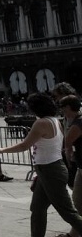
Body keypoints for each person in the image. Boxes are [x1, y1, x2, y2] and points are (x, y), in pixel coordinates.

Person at [0, 93, 82, 237]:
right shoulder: (55, 121)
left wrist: (1, 150)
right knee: (37, 208)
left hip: (50, 170)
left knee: (68, 212)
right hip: (47, 169)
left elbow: (24, 145)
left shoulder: (41, 123)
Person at [59, 95, 82, 237]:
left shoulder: (77, 124)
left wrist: (69, 162)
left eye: (63, 108)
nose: (62, 111)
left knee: (78, 201)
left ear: (68, 108)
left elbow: (67, 145)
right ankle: (74, 233)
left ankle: (74, 234)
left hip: (81, 167)